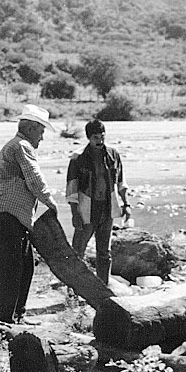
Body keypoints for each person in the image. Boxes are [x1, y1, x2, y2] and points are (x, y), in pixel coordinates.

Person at [0, 104, 59, 324]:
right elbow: (35, 180)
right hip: (7, 216)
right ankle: (2, 321)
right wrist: (51, 203)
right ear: (31, 128)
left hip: (13, 218)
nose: (43, 137)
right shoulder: (21, 146)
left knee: (25, 267)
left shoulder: (18, 145)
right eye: (41, 131)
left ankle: (16, 316)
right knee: (10, 270)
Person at [66, 119, 131, 285]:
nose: (100, 141)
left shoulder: (113, 154)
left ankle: (103, 290)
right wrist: (75, 213)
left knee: (104, 253)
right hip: (86, 210)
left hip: (107, 209)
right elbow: (72, 189)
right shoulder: (78, 158)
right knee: (77, 252)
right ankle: (74, 290)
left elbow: (121, 183)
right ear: (88, 138)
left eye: (102, 136)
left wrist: (126, 204)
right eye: (96, 137)